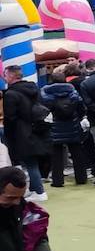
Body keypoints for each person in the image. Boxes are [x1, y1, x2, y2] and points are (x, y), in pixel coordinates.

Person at [0, 166, 57, 251]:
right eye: (10, 197)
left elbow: (37, 236)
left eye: (20, 197)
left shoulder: (25, 209)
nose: (16, 202)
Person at [2, 66, 50, 199]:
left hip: (21, 132)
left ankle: (40, 192)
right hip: (36, 129)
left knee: (30, 163)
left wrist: (8, 135)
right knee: (32, 161)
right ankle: (35, 188)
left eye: (5, 75)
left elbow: (10, 117)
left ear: (11, 76)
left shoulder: (11, 94)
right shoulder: (34, 89)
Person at [39, 67, 88, 189]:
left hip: (54, 127)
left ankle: (57, 180)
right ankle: (81, 178)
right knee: (77, 153)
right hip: (73, 125)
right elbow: (82, 108)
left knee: (56, 156)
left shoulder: (45, 94)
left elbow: (42, 111)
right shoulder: (73, 92)